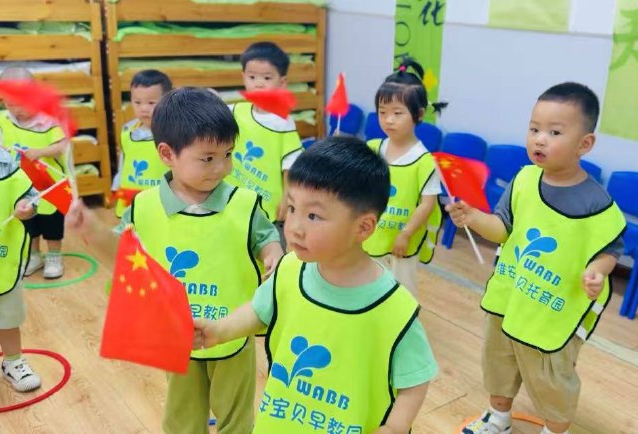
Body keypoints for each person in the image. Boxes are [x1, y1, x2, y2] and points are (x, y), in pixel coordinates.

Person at [66, 87, 284, 433]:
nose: (222, 167)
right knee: (183, 415)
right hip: (176, 336)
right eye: (207, 158)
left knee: (235, 418)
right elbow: (123, 256)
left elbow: (266, 236)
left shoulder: (244, 202)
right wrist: (92, 231)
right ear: (167, 154)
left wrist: (273, 254)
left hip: (231, 331)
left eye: (228, 154)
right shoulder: (145, 206)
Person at [194, 137, 438, 434]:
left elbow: (415, 377)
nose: (294, 227)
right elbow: (259, 310)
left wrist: (395, 427)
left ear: (363, 227)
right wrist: (220, 330)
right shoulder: (289, 270)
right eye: (292, 208)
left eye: (313, 216)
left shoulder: (394, 306)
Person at [451, 83, 626, 434]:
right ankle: (498, 418)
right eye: (534, 129)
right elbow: (502, 228)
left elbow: (609, 250)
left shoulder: (597, 203)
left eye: (554, 132)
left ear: (585, 144)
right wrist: (474, 218)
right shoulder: (523, 180)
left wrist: (597, 271)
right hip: (513, 295)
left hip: (552, 307)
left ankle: (555, 430)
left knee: (551, 377)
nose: (539, 140)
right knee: (499, 360)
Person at [362, 57, 444, 294]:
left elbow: (428, 204)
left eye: (397, 113)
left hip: (403, 239)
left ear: (419, 114)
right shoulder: (373, 148)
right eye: (382, 112)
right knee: (370, 286)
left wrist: (405, 233)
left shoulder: (424, 161)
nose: (388, 120)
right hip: (373, 234)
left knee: (402, 291)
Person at [0, 90, 43, 393]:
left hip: (1, 259)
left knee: (8, 317)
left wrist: (26, 208)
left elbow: (32, 198)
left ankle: (13, 362)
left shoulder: (7, 163)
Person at [0, 66, 68, 279]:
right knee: (28, 222)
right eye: (10, 104)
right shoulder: (3, 121)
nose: (16, 110)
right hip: (21, 184)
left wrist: (41, 152)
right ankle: (34, 255)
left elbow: (62, 145)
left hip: (49, 184)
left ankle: (54, 256)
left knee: (51, 222)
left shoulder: (48, 120)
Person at [229, 41, 303, 241]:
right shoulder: (235, 111)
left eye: (267, 78)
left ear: (282, 82)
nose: (258, 83)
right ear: (243, 77)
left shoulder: (283, 122)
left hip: (267, 205)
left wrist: (287, 197)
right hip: (233, 198)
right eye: (252, 77)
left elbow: (290, 165)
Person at [112, 69, 172, 217]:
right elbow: (123, 162)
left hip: (160, 202)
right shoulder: (127, 131)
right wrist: (116, 185)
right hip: (130, 198)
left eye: (151, 103)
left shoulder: (173, 132)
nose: (144, 108)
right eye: (137, 102)